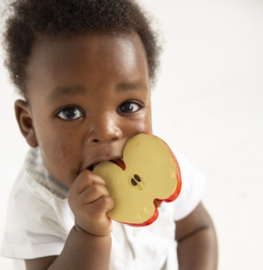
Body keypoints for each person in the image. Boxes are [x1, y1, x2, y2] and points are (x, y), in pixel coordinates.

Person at [0, 0, 218, 269]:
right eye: (70, 112)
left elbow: (197, 231)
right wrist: (89, 233)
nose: (106, 131)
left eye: (128, 106)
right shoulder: (36, 202)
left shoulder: (164, 166)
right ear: (29, 123)